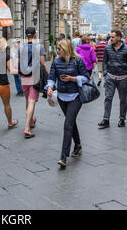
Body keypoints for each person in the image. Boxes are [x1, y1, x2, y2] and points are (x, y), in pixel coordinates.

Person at [46, 39, 90, 168]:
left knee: (68, 124)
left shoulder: (78, 61)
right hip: (62, 97)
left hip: (76, 96)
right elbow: (51, 78)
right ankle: (78, 145)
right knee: (71, 122)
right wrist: (49, 87)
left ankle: (63, 157)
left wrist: (73, 79)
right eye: (57, 48)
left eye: (60, 48)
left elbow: (86, 77)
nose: (57, 50)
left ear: (66, 49)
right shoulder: (55, 62)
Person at [98, 30, 127, 129]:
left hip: (123, 78)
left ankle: (122, 119)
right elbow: (104, 62)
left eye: (113, 37)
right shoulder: (107, 48)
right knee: (108, 98)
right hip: (110, 77)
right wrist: (105, 74)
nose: (111, 39)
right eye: (110, 37)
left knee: (123, 99)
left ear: (119, 37)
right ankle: (106, 119)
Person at [18, 27, 49, 139]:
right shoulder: (39, 47)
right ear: (35, 35)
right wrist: (48, 75)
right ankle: (26, 128)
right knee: (31, 102)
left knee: (28, 100)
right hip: (35, 76)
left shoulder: (20, 47)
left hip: (24, 75)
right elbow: (43, 63)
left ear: (26, 35)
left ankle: (31, 121)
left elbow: (18, 62)